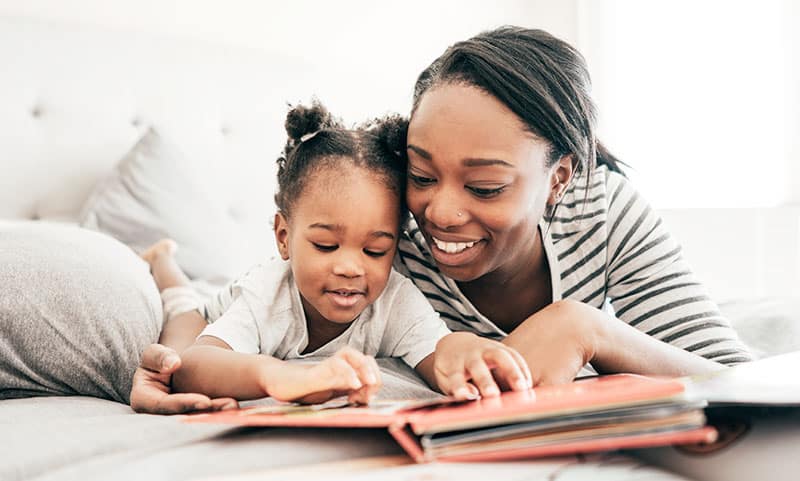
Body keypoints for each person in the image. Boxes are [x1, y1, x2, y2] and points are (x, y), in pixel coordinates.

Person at [130, 26, 753, 415]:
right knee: (190, 300)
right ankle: (165, 263)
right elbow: (264, 319)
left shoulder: (605, 211)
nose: (439, 213)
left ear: (560, 177)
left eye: (485, 185)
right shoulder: (381, 237)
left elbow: (748, 382)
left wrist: (589, 329)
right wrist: (175, 360)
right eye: (422, 175)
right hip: (226, 301)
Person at [133, 101, 531, 411]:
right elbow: (197, 364)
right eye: (326, 245)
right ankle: (163, 260)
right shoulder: (265, 295)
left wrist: (467, 351)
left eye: (375, 250)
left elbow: (437, 349)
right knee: (181, 312)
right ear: (284, 237)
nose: (349, 268)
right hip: (211, 313)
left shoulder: (395, 299)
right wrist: (279, 376)